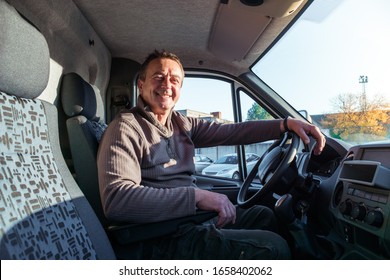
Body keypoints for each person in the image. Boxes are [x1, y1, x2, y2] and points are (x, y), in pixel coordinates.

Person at [97, 50, 326, 259]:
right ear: (141, 83)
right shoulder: (124, 128)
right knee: (274, 248)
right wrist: (196, 197)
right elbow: (117, 200)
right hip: (162, 236)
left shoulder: (181, 124)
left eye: (174, 79)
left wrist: (286, 124)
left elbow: (232, 132)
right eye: (158, 76)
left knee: (264, 216)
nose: (167, 84)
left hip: (189, 220)